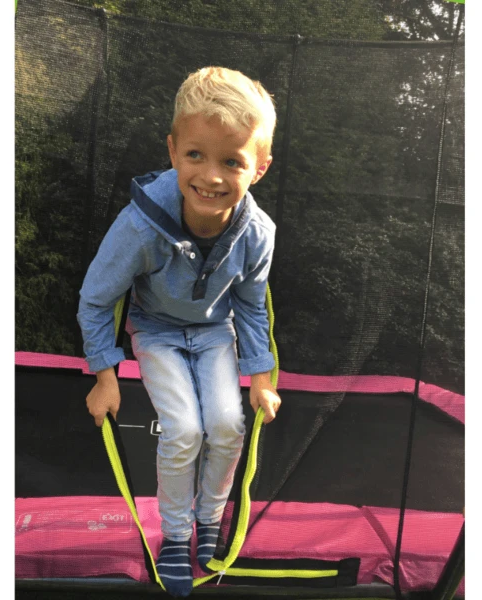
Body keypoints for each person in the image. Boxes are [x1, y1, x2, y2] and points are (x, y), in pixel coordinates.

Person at [77, 66, 282, 597]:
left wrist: (261, 378)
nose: (211, 177)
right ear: (172, 151)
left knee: (228, 425)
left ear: (259, 168)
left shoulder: (257, 233)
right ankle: (175, 534)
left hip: (215, 332)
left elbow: (251, 305)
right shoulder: (140, 225)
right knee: (185, 431)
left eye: (232, 161)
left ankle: (208, 520)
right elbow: (97, 299)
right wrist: (105, 375)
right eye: (196, 155)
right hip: (157, 332)